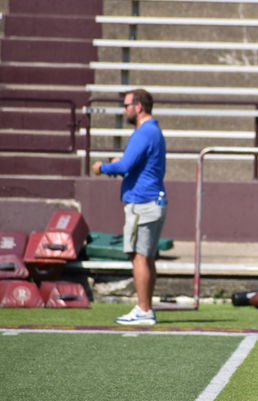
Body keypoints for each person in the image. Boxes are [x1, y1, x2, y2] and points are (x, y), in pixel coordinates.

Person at [93, 89, 167, 325]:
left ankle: (144, 310)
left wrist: (102, 167)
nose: (123, 110)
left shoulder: (144, 132)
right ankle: (145, 307)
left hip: (143, 204)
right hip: (153, 202)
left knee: (139, 258)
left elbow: (124, 166)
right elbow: (133, 164)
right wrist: (121, 164)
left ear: (139, 106)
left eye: (126, 106)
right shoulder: (153, 131)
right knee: (147, 258)